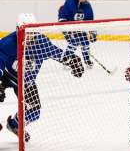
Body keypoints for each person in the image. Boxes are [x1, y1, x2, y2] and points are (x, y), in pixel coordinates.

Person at [0, 13, 84, 142]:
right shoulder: (7, 44)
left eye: (32, 31)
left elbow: (58, 54)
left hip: (26, 81)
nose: (30, 36)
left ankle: (14, 125)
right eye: (25, 32)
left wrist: (72, 60)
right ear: (18, 29)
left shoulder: (42, 42)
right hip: (6, 76)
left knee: (35, 112)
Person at [58, 0, 96, 69]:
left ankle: (87, 60)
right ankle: (65, 59)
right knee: (74, 42)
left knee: (85, 42)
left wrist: (92, 32)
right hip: (67, 25)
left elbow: (90, 20)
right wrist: (67, 29)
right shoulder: (70, 2)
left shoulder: (87, 5)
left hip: (79, 26)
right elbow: (63, 14)